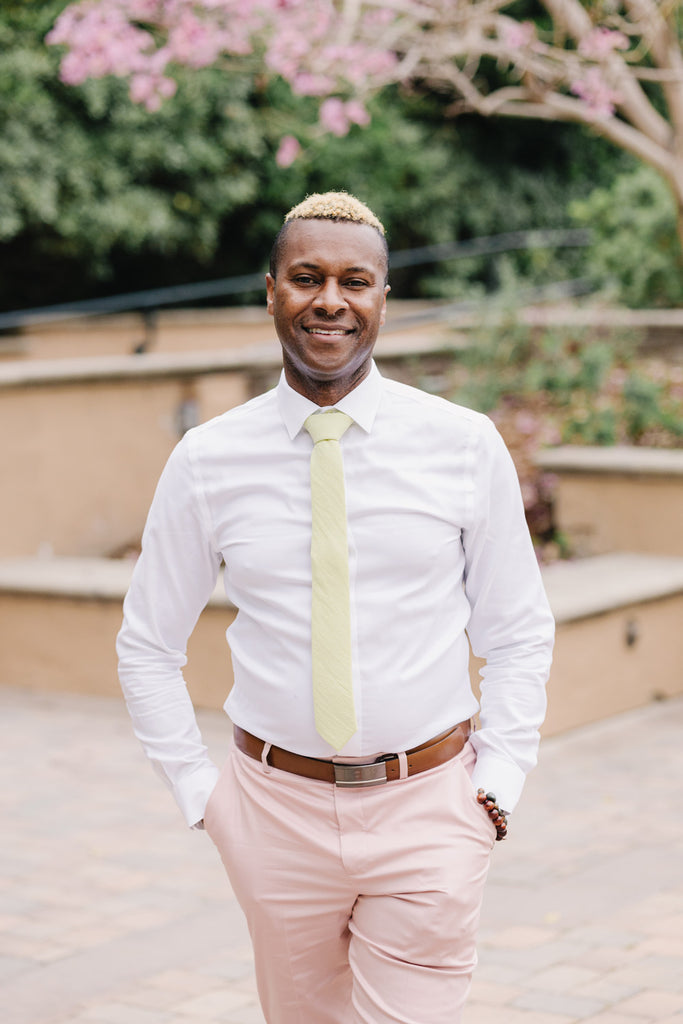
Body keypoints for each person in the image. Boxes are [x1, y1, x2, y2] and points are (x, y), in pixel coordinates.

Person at [117, 191, 555, 1024]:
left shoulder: (461, 445)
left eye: (356, 281)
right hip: (270, 813)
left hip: (430, 806)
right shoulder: (208, 459)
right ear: (271, 290)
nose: (330, 300)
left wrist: (497, 779)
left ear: (382, 297)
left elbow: (516, 629)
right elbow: (146, 644)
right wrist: (201, 795)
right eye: (306, 277)